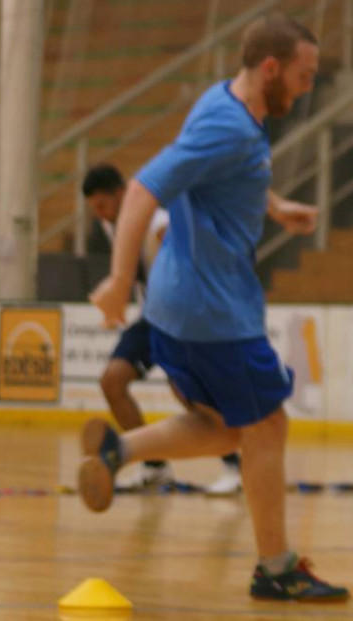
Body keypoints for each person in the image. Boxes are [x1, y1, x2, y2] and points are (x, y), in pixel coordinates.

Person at [82, 12, 348, 602]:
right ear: (271, 67)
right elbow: (144, 189)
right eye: (303, 76)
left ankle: (118, 449)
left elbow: (222, 176)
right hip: (213, 312)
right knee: (268, 424)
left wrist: (274, 207)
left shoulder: (225, 105)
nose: (308, 88)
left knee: (224, 427)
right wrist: (121, 278)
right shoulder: (229, 127)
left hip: (178, 312)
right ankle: (276, 568)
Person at [81, 163, 243, 495]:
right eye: (94, 209)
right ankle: (154, 468)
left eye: (102, 205)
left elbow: (188, 243)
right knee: (112, 382)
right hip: (151, 317)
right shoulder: (112, 223)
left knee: (188, 396)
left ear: (122, 193)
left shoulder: (158, 222)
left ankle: (234, 467)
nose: (100, 215)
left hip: (183, 319)